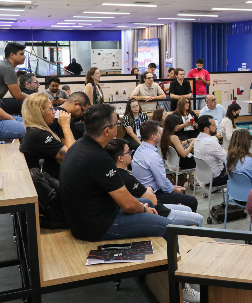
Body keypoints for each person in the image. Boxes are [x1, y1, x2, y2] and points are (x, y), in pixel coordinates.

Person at [59, 103, 173, 242]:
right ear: (107, 131)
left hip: (86, 217)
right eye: (116, 123)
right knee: (168, 227)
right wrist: (143, 210)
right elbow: (128, 205)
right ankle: (168, 263)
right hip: (96, 226)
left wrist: (142, 207)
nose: (119, 126)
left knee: (146, 201)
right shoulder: (99, 158)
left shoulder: (80, 145)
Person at [106, 138, 203, 227]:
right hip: (157, 211)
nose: (131, 154)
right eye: (128, 152)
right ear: (120, 158)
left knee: (189, 209)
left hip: (154, 206)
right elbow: (153, 200)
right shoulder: (126, 177)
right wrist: (150, 188)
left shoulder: (117, 172)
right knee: (199, 218)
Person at [132, 120, 198, 212]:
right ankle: (187, 223)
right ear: (153, 136)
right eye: (159, 132)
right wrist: (174, 189)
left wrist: (173, 187)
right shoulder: (153, 156)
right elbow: (162, 183)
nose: (161, 133)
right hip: (153, 194)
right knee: (192, 201)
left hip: (143, 191)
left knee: (181, 192)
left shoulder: (139, 150)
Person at [19, 93, 74, 179]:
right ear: (39, 112)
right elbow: (73, 154)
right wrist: (66, 126)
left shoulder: (33, 130)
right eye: (51, 109)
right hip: (51, 186)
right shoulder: (39, 135)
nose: (54, 111)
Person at [194, 115, 228, 187]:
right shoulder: (211, 142)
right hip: (215, 179)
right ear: (206, 129)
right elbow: (227, 160)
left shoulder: (197, 139)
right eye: (213, 125)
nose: (216, 126)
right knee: (239, 165)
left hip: (202, 177)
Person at [0, 43, 28, 116]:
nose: (24, 56)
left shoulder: (4, 66)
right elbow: (18, 96)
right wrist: (35, 97)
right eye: (21, 54)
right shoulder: (8, 68)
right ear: (12, 55)